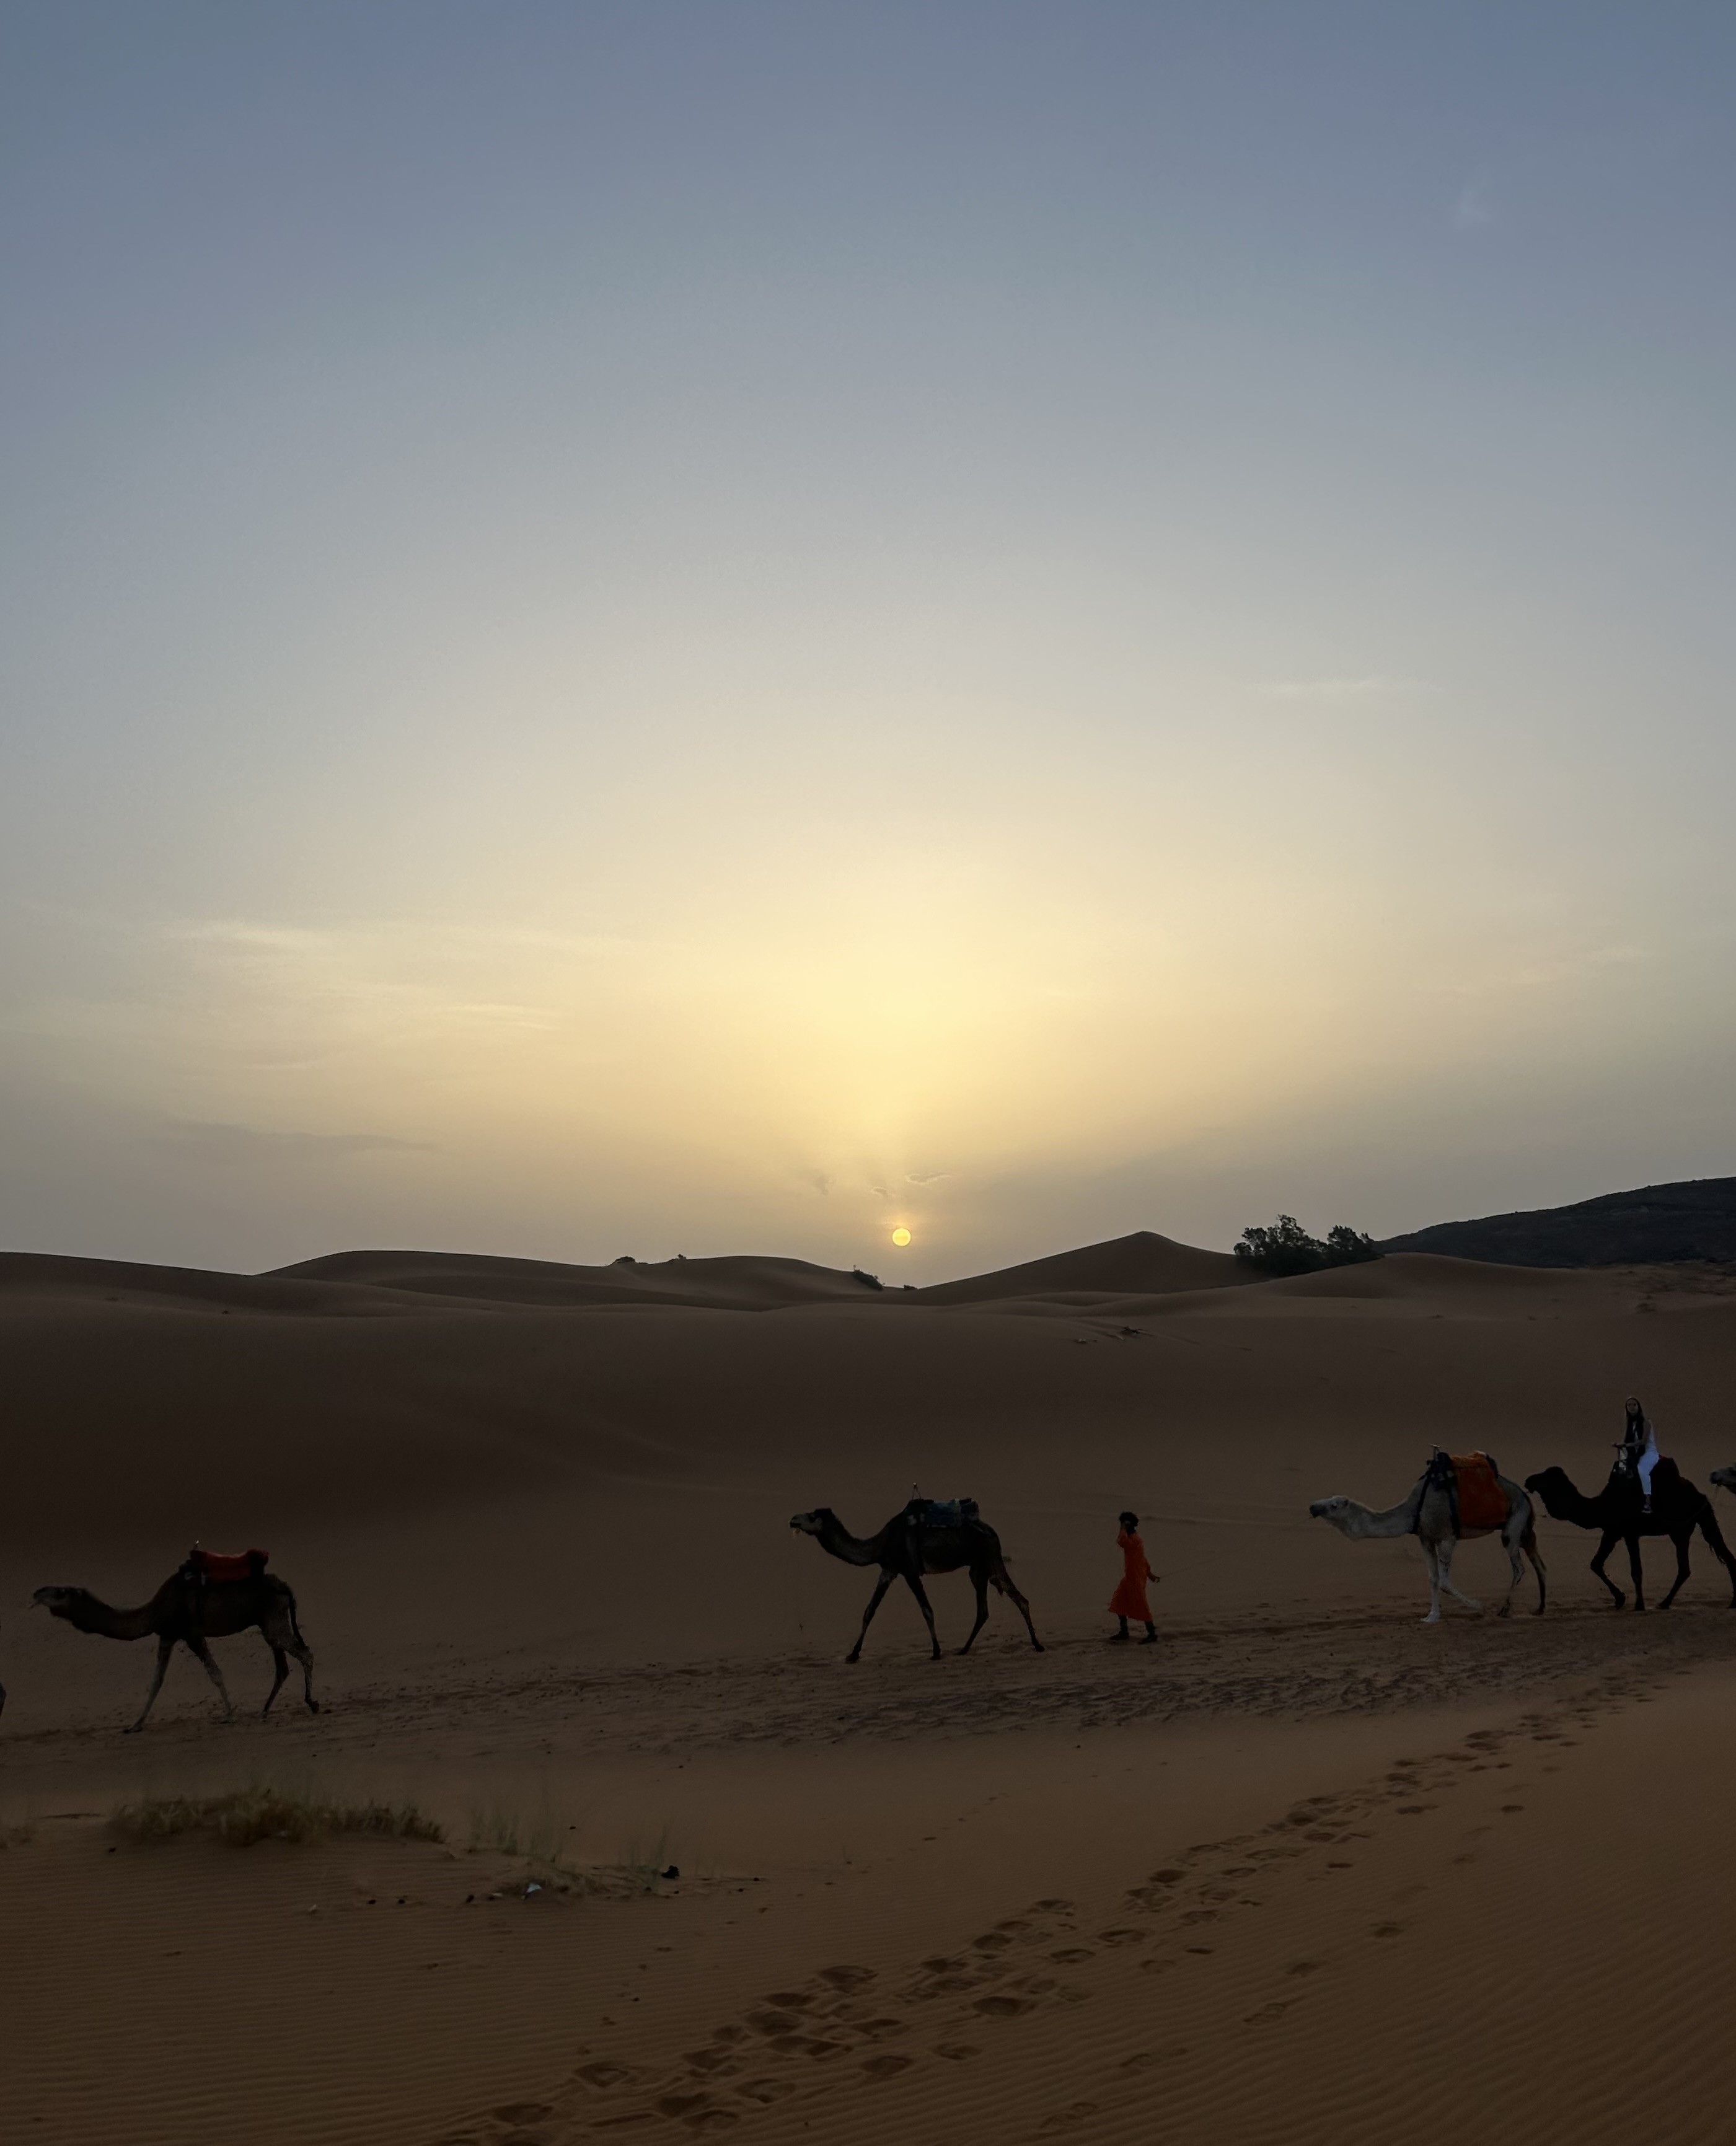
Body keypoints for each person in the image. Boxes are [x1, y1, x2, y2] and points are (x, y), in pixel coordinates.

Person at [1109, 1510, 1158, 1643]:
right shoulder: (1135, 1539)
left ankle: (1152, 1634)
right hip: (1129, 1578)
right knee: (1120, 1602)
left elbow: (1122, 1542)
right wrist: (1151, 1575)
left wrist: (1123, 1528)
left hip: (1136, 1578)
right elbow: (1143, 1560)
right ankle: (1124, 1631)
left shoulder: (1134, 1540)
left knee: (1142, 1605)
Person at [1621, 1396, 1660, 1515]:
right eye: (1629, 1405)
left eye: (1634, 1405)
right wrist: (1621, 1445)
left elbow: (1643, 1441)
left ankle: (1648, 1502)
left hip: (1649, 1452)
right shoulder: (1630, 1423)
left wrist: (1628, 1445)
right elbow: (1627, 1440)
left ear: (1639, 1407)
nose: (1632, 1407)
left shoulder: (1646, 1422)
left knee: (1642, 1471)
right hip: (1635, 1452)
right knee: (1621, 1470)